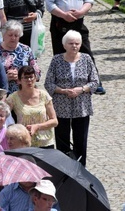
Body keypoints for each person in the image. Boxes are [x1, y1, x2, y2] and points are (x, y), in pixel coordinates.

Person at [45, 0, 105, 95]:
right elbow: (49, 4)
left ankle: (95, 82)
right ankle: (60, 84)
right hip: (60, 22)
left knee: (86, 51)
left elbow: (89, 0)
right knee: (60, 53)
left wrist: (80, 13)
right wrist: (64, 15)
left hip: (78, 22)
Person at [44, 30, 98, 166]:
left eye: (77, 43)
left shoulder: (86, 59)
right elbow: (48, 83)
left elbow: (95, 82)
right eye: (71, 43)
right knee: (62, 139)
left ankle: (80, 168)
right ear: (64, 45)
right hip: (61, 105)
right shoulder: (56, 60)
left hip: (82, 106)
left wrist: (81, 89)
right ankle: (64, 167)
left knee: (81, 139)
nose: (74, 46)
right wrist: (62, 90)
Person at [7, 66, 58, 148]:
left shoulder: (44, 95)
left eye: (31, 77)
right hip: (24, 143)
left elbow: (54, 121)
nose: (29, 80)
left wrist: (37, 127)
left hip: (45, 142)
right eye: (26, 78)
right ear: (19, 81)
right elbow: (3, 115)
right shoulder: (13, 98)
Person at [0, 20, 41, 93]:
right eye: (10, 35)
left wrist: (21, 76)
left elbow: (37, 74)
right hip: (0, 93)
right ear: (3, 35)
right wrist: (4, 78)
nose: (13, 38)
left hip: (23, 93)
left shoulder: (26, 50)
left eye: (16, 35)